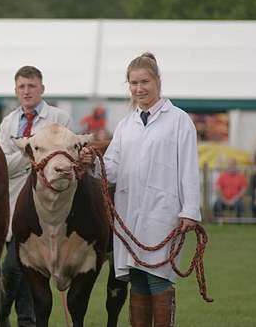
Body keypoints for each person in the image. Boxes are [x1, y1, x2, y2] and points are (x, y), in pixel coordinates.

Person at [82, 52, 200, 327]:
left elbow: (189, 169)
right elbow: (111, 168)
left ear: (157, 81)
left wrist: (190, 210)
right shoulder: (126, 125)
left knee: (159, 279)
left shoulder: (179, 120)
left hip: (164, 213)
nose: (139, 88)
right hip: (129, 214)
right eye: (133, 83)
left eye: (144, 81)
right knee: (137, 280)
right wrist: (93, 163)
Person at [0, 65, 75, 327]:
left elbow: (65, 161)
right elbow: (3, 166)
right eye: (22, 86)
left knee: (31, 273)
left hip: (49, 209)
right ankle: (0, 313)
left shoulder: (59, 119)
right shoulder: (8, 122)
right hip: (16, 207)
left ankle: (26, 322)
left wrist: (33, 152)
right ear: (16, 90)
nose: (27, 91)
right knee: (12, 269)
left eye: (32, 86)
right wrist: (33, 150)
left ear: (42, 88)